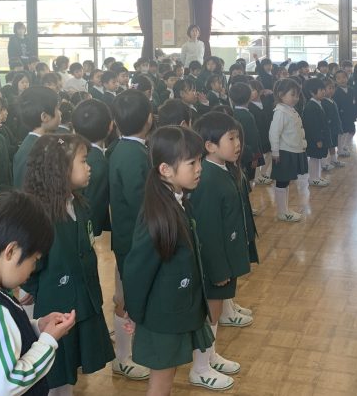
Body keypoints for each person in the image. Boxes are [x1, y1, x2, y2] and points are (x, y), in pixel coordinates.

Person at [122, 126, 220, 395]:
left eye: (200, 161)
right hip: (161, 316)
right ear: (165, 169)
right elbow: (137, 270)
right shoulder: (157, 215)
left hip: (175, 308)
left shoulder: (177, 201)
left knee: (169, 372)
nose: (199, 168)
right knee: (162, 379)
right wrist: (135, 313)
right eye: (192, 163)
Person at [0, 192, 75, 396]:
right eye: (34, 259)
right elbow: (6, 384)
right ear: (11, 251)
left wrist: (38, 326)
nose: (33, 268)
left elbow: (2, 337)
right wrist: (48, 341)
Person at [23, 134, 115, 392]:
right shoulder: (39, 212)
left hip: (81, 301)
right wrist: (32, 288)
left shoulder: (79, 204)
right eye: (83, 161)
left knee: (68, 371)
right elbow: (31, 264)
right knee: (54, 371)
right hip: (55, 304)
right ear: (60, 168)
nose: (89, 167)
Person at [189, 113, 252, 386]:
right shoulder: (208, 178)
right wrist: (217, 268)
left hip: (224, 257)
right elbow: (207, 229)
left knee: (215, 312)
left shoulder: (223, 169)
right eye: (231, 138)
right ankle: (200, 368)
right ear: (210, 146)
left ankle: (210, 355)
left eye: (237, 137)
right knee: (210, 313)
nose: (237, 144)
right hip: (215, 262)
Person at [107, 90, 154, 381]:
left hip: (130, 237)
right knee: (128, 298)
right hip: (133, 238)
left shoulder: (124, 148)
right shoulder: (132, 154)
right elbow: (140, 202)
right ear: (149, 119)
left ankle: (129, 352)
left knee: (129, 294)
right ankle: (123, 357)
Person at [71, 98, 114, 237]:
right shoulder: (98, 163)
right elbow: (94, 209)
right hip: (86, 235)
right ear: (110, 126)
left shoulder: (71, 152)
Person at [268, 78, 307, 222]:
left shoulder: (289, 109)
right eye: (292, 94)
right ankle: (282, 211)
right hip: (284, 153)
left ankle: (285, 209)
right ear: (281, 94)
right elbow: (274, 133)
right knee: (282, 181)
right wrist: (275, 152)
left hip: (292, 151)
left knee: (286, 181)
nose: (296, 98)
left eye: (298, 95)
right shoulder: (280, 112)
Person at [12, 86, 61, 189]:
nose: (60, 113)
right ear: (44, 117)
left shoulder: (47, 139)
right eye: (57, 109)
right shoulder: (32, 152)